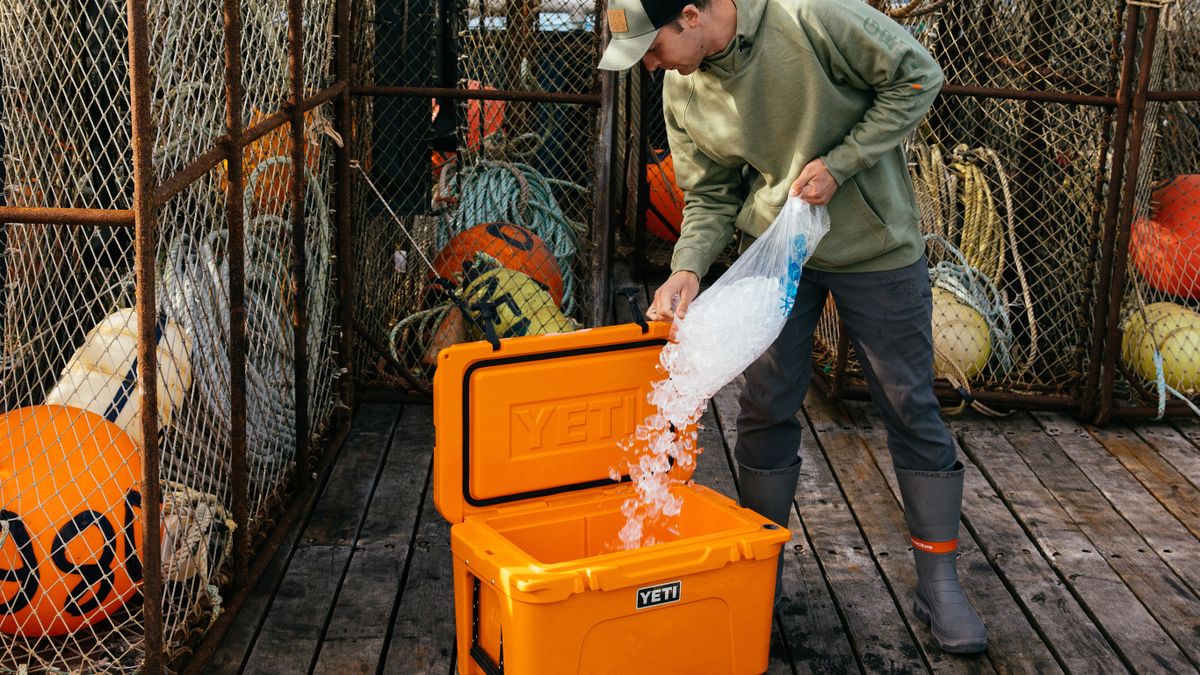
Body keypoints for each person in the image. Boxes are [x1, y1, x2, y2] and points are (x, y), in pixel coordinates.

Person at [598, 0, 988, 654]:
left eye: (654, 48)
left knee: (909, 404)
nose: (652, 65)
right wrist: (687, 268)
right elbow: (712, 192)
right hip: (779, 259)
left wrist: (844, 162)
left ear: (690, 15)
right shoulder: (681, 86)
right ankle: (762, 571)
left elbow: (919, 74)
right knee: (765, 406)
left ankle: (939, 581)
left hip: (875, 246)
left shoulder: (811, 15)